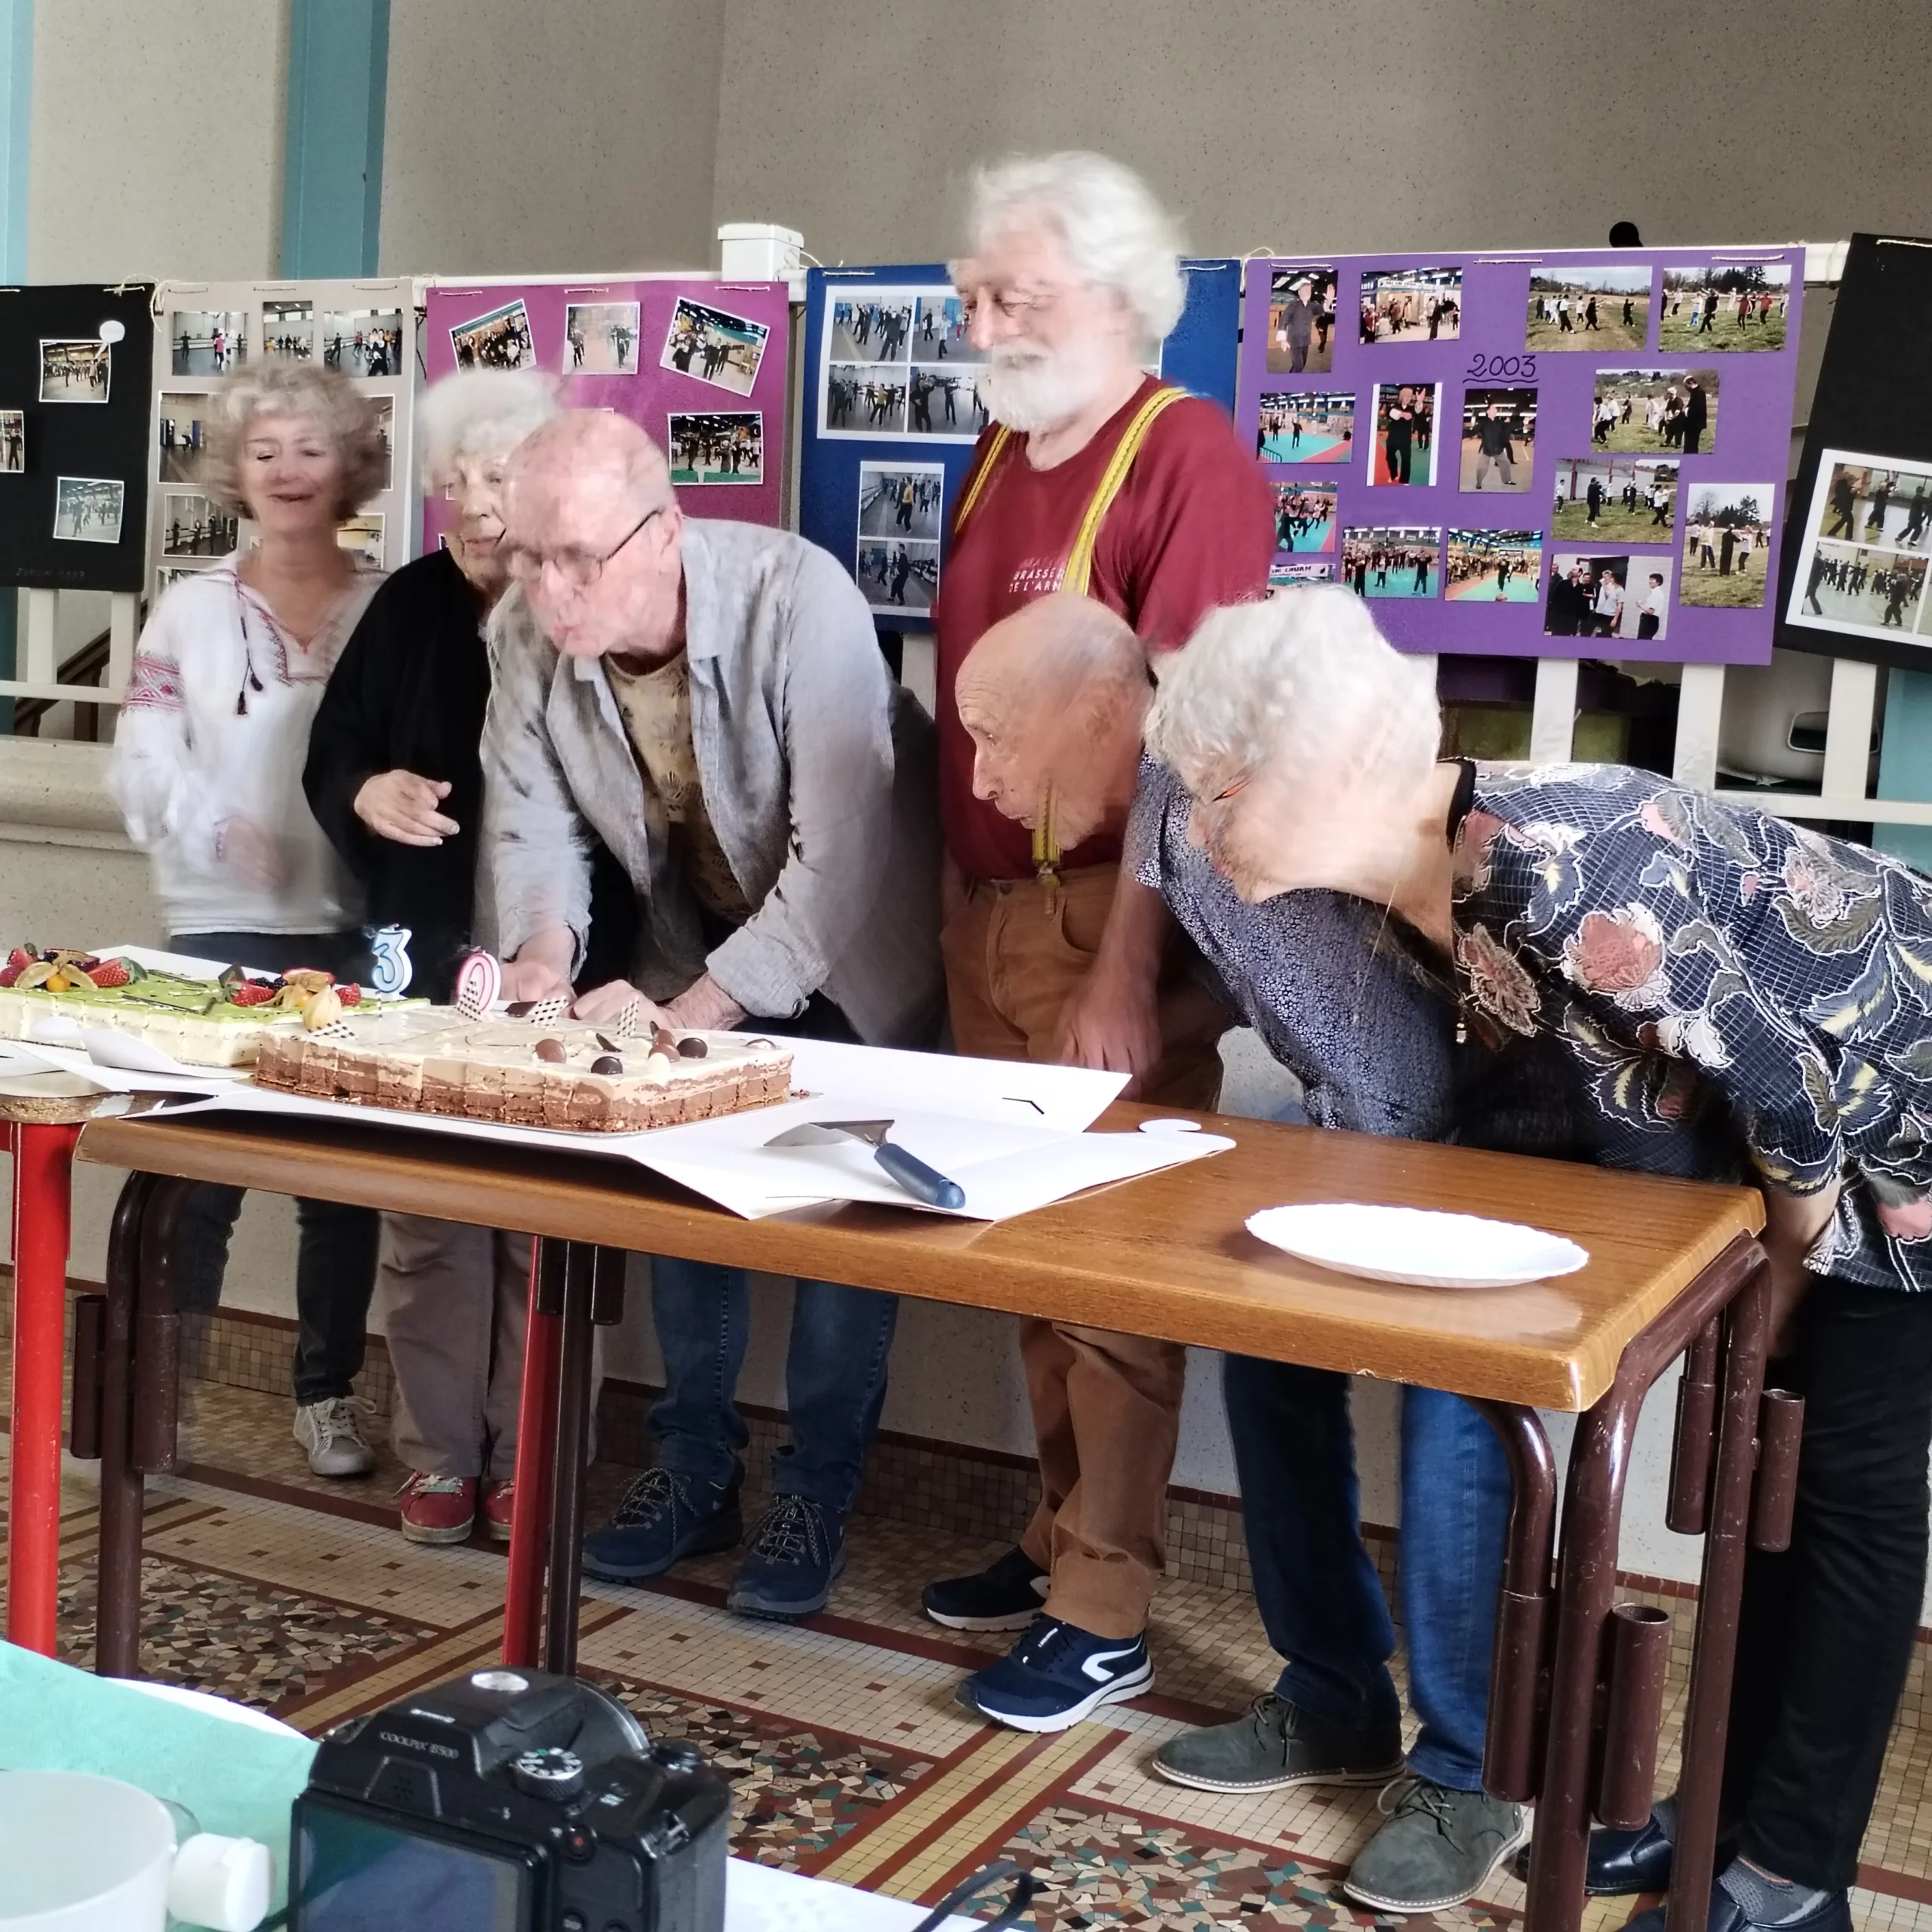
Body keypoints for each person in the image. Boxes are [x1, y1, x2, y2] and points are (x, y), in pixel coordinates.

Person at [1147, 586, 1932, 1932]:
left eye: (1218, 794)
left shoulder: (1555, 863)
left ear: (1324, 770)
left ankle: (1791, 1878)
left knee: (1837, 1497)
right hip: (1804, 1164)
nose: (1199, 834)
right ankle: (1720, 1825)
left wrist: (1782, 1293)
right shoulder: (1432, 879)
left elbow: (1795, 1104)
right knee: (1766, 1499)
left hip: (1897, 1134)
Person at [949, 592, 1543, 1913]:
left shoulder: (1218, 751)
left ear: (1104, 711)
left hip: (1481, 1145)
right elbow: (1268, 956)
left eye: (999, 736)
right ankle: (1333, 1694)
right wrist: (1143, 999)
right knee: (1267, 1367)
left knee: (1457, 1429)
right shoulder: (1176, 794)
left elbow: (1395, 996)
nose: (985, 778)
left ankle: (1471, 1770)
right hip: (1353, 1133)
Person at [918, 150, 1275, 1731]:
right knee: (1021, 1253)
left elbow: (1188, 743)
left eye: (1016, 295)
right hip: (979, 911)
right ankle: (1054, 1529)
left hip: (1099, 928)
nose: (983, 319)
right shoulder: (992, 455)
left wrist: (1127, 965)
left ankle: (1105, 1605)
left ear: (1125, 298)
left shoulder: (1188, 459)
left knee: (1107, 1270)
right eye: (973, 292)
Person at [485, 411, 943, 1620]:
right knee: (685, 1215)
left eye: (575, 558)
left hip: (847, 965)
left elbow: (839, 860)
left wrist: (699, 1015)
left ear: (666, 533)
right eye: (524, 555)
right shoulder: (521, 631)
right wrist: (544, 950)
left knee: (843, 1239)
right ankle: (693, 1472)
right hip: (687, 942)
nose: (548, 589)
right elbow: (530, 821)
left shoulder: (805, 601)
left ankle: (817, 1491)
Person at [106, 363, 389, 1479]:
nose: (286, 471)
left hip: (358, 936)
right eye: (264, 450)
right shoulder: (187, 608)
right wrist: (217, 832)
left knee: (342, 1188)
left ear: (348, 468)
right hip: (219, 935)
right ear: (234, 470)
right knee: (199, 1185)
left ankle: (325, 1394)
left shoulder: (388, 605)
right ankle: (161, 1400)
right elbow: (139, 762)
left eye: (310, 449)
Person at [303, 368, 561, 1546]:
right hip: (417, 944)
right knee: (429, 1223)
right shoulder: (409, 601)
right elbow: (336, 748)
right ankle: (441, 1457)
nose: (472, 501)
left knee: (538, 1227)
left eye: (496, 476)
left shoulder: (573, 601)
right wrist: (370, 790)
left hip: (546, 952)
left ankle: (529, 1459)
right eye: (456, 478)